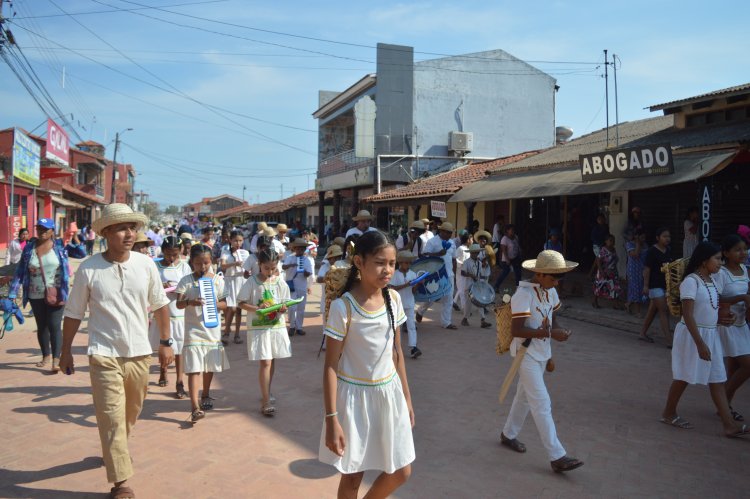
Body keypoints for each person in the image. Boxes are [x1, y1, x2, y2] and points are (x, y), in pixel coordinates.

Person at [59, 204, 173, 498]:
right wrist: (66, 350)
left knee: (130, 412)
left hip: (139, 353)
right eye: (122, 228)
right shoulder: (89, 268)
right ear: (106, 232)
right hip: (103, 353)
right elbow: (73, 313)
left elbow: (160, 305)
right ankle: (121, 481)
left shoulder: (145, 264)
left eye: (133, 228)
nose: (130, 234)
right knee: (110, 415)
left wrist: (165, 342)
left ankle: (114, 450)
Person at [320, 230, 414, 497]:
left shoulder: (393, 300)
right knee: (352, 477)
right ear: (359, 262)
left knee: (401, 470)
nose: (388, 270)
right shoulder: (343, 308)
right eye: (380, 262)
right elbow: (330, 366)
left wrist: (407, 398)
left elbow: (397, 353)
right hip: (354, 401)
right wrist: (331, 419)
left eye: (392, 264)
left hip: (389, 395)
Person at [499, 249, 584, 473]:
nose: (557, 283)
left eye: (559, 278)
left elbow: (553, 321)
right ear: (539, 274)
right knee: (541, 403)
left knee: (524, 398)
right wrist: (550, 335)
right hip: (525, 355)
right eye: (554, 278)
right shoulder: (523, 295)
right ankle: (557, 456)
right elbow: (518, 330)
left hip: (541, 353)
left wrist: (558, 334)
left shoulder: (550, 292)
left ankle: (508, 434)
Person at [659, 241, 749, 437]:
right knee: (683, 376)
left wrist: (722, 319)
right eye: (716, 259)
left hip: (710, 334)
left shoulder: (714, 280)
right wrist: (700, 343)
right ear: (703, 260)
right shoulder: (691, 281)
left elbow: (711, 307)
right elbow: (689, 315)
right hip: (693, 335)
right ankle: (668, 412)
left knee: (717, 378)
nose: (720, 263)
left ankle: (729, 425)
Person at [9, 219, 86, 372]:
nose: (42, 231)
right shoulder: (30, 247)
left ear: (52, 231)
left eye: (46, 229)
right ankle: (46, 355)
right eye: (39, 228)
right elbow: (20, 270)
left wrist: (75, 236)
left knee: (54, 325)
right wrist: (12, 292)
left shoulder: (59, 246)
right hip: (34, 293)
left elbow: (81, 253)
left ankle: (56, 359)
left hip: (56, 293)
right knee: (42, 326)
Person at [175, 244, 230, 424]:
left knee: (209, 365)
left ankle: (205, 393)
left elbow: (225, 304)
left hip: (211, 329)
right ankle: (194, 406)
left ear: (212, 262)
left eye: (206, 262)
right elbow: (179, 304)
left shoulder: (217, 280)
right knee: (193, 368)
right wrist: (191, 301)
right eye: (199, 263)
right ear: (192, 263)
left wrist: (214, 304)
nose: (203, 266)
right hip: (193, 330)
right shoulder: (186, 280)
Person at [238, 248, 292, 416]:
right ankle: (266, 400)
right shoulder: (252, 282)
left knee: (272, 359)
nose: (270, 271)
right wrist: (257, 308)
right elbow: (241, 303)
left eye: (273, 268)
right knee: (265, 362)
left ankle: (267, 391)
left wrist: (283, 308)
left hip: (276, 326)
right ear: (259, 265)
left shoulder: (279, 281)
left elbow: (286, 302)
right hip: (259, 328)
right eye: (266, 267)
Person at [150, 236, 192, 397]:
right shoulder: (155, 266)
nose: (171, 258)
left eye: (175, 254)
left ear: (180, 252)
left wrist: (180, 289)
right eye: (168, 254)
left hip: (179, 312)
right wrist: (162, 286)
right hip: (162, 311)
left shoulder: (184, 267)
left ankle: (179, 381)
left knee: (180, 348)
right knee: (164, 344)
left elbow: (189, 285)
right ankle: (163, 371)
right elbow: (149, 284)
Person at [716, 234, 750, 421]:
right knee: (747, 366)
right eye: (737, 249)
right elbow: (717, 299)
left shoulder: (744, 269)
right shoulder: (721, 273)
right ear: (726, 253)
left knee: (734, 368)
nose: (742, 253)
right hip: (728, 325)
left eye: (744, 248)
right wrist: (742, 298)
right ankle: (721, 402)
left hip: (742, 324)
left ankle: (725, 405)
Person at [415, 222, 457, 329]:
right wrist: (438, 254)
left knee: (449, 299)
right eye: (447, 232)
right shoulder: (432, 241)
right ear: (441, 231)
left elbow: (454, 259)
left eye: (451, 233)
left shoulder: (452, 243)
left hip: (449, 274)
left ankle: (446, 322)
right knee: (432, 297)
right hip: (435, 274)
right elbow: (425, 255)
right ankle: (420, 311)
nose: (449, 235)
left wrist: (454, 273)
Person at [639, 227, 674, 345]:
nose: (667, 239)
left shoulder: (668, 250)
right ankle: (669, 340)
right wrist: (645, 286)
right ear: (657, 238)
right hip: (654, 286)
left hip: (665, 285)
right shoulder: (652, 251)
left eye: (668, 236)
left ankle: (642, 333)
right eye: (664, 236)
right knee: (664, 311)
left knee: (653, 311)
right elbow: (647, 269)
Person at [220, 230, 249, 346]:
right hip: (229, 281)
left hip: (240, 280)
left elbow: (247, 269)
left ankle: (237, 334)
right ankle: (226, 331)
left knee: (239, 309)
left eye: (240, 240)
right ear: (230, 240)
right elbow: (222, 266)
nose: (238, 243)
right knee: (230, 308)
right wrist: (234, 264)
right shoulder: (225, 252)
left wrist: (247, 273)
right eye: (235, 240)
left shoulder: (245, 253)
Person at [389, 250, 420, 358]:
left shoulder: (413, 274)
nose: (408, 264)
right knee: (397, 326)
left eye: (409, 262)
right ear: (400, 263)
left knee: (411, 325)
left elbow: (414, 291)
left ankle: (413, 347)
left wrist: (418, 284)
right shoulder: (394, 274)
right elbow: (392, 288)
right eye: (406, 262)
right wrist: (407, 285)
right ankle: (396, 347)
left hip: (410, 302)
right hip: (397, 304)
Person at [282, 238, 314, 336]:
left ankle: (299, 327)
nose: (300, 251)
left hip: (302, 286)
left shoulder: (307, 260)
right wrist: (292, 265)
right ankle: (292, 326)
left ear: (304, 250)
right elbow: (283, 267)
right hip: (291, 285)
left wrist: (305, 272)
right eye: (298, 249)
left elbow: (309, 273)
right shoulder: (290, 258)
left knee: (301, 308)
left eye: (302, 249)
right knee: (292, 307)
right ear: (294, 249)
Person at [461, 243, 492, 328]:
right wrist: (471, 275)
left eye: (477, 252)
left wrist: (483, 277)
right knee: (468, 304)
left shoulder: (479, 263)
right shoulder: (466, 262)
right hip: (468, 286)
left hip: (476, 285)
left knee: (480, 302)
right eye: (474, 252)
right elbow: (462, 272)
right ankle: (464, 319)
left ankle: (483, 320)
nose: (476, 254)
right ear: (471, 253)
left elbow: (481, 274)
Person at [592, 234, 623, 310]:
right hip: (604, 271)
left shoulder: (613, 249)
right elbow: (598, 261)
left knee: (615, 287)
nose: (612, 242)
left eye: (613, 241)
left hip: (612, 272)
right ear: (606, 241)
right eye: (610, 240)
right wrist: (602, 271)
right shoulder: (603, 250)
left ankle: (616, 304)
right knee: (599, 287)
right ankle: (594, 301)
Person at [625, 229, 648, 316]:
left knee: (640, 289)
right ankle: (638, 312)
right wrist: (637, 243)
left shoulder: (645, 245)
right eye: (641, 237)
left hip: (642, 270)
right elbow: (635, 255)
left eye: (644, 237)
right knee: (635, 289)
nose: (643, 239)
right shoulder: (629, 244)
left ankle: (628, 304)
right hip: (633, 270)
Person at [317, 245, 343, 318]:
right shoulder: (325, 266)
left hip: (339, 300)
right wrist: (330, 277)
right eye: (335, 258)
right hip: (327, 300)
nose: (337, 259)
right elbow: (318, 279)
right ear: (330, 259)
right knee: (326, 323)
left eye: (339, 257)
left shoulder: (343, 267)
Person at [495, 224, 522, 291]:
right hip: (507, 258)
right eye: (511, 230)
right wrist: (507, 259)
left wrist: (520, 252)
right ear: (507, 230)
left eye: (513, 230)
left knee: (518, 272)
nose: (513, 231)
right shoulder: (504, 239)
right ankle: (496, 286)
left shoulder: (516, 237)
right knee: (505, 272)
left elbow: (517, 246)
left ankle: (518, 287)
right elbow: (504, 250)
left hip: (515, 257)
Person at [453, 231, 472, 312]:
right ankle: (465, 309)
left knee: (463, 289)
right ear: (468, 240)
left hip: (466, 273)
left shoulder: (468, 249)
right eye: (471, 239)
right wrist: (462, 265)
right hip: (460, 272)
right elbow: (455, 259)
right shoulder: (460, 249)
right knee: (462, 291)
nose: (472, 241)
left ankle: (454, 302)